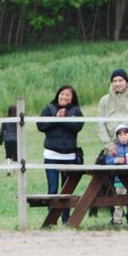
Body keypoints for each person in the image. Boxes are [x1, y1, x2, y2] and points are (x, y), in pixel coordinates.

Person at [36, 85, 84, 224]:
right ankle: (51, 220)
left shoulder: (76, 111)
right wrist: (55, 119)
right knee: (52, 188)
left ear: (72, 98)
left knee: (66, 190)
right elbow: (41, 126)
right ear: (58, 95)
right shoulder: (49, 109)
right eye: (62, 94)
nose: (64, 97)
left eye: (67, 95)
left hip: (69, 157)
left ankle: (66, 220)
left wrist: (63, 120)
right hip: (51, 155)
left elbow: (77, 127)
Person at [95, 69, 128, 154]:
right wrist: (109, 145)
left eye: (120, 80)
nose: (117, 84)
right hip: (113, 146)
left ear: (126, 81)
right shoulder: (104, 100)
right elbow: (100, 124)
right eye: (114, 81)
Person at [102, 123, 128, 225]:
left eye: (125, 134)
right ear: (117, 137)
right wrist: (116, 160)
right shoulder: (114, 148)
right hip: (119, 180)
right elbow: (108, 161)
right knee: (119, 200)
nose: (123, 137)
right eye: (120, 135)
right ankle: (117, 219)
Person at [0, 104, 18, 174]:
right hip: (16, 139)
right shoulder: (17, 120)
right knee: (15, 155)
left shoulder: (5, 120)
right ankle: (15, 170)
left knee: (8, 155)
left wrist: (0, 141)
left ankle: (8, 170)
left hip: (7, 139)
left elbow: (1, 131)